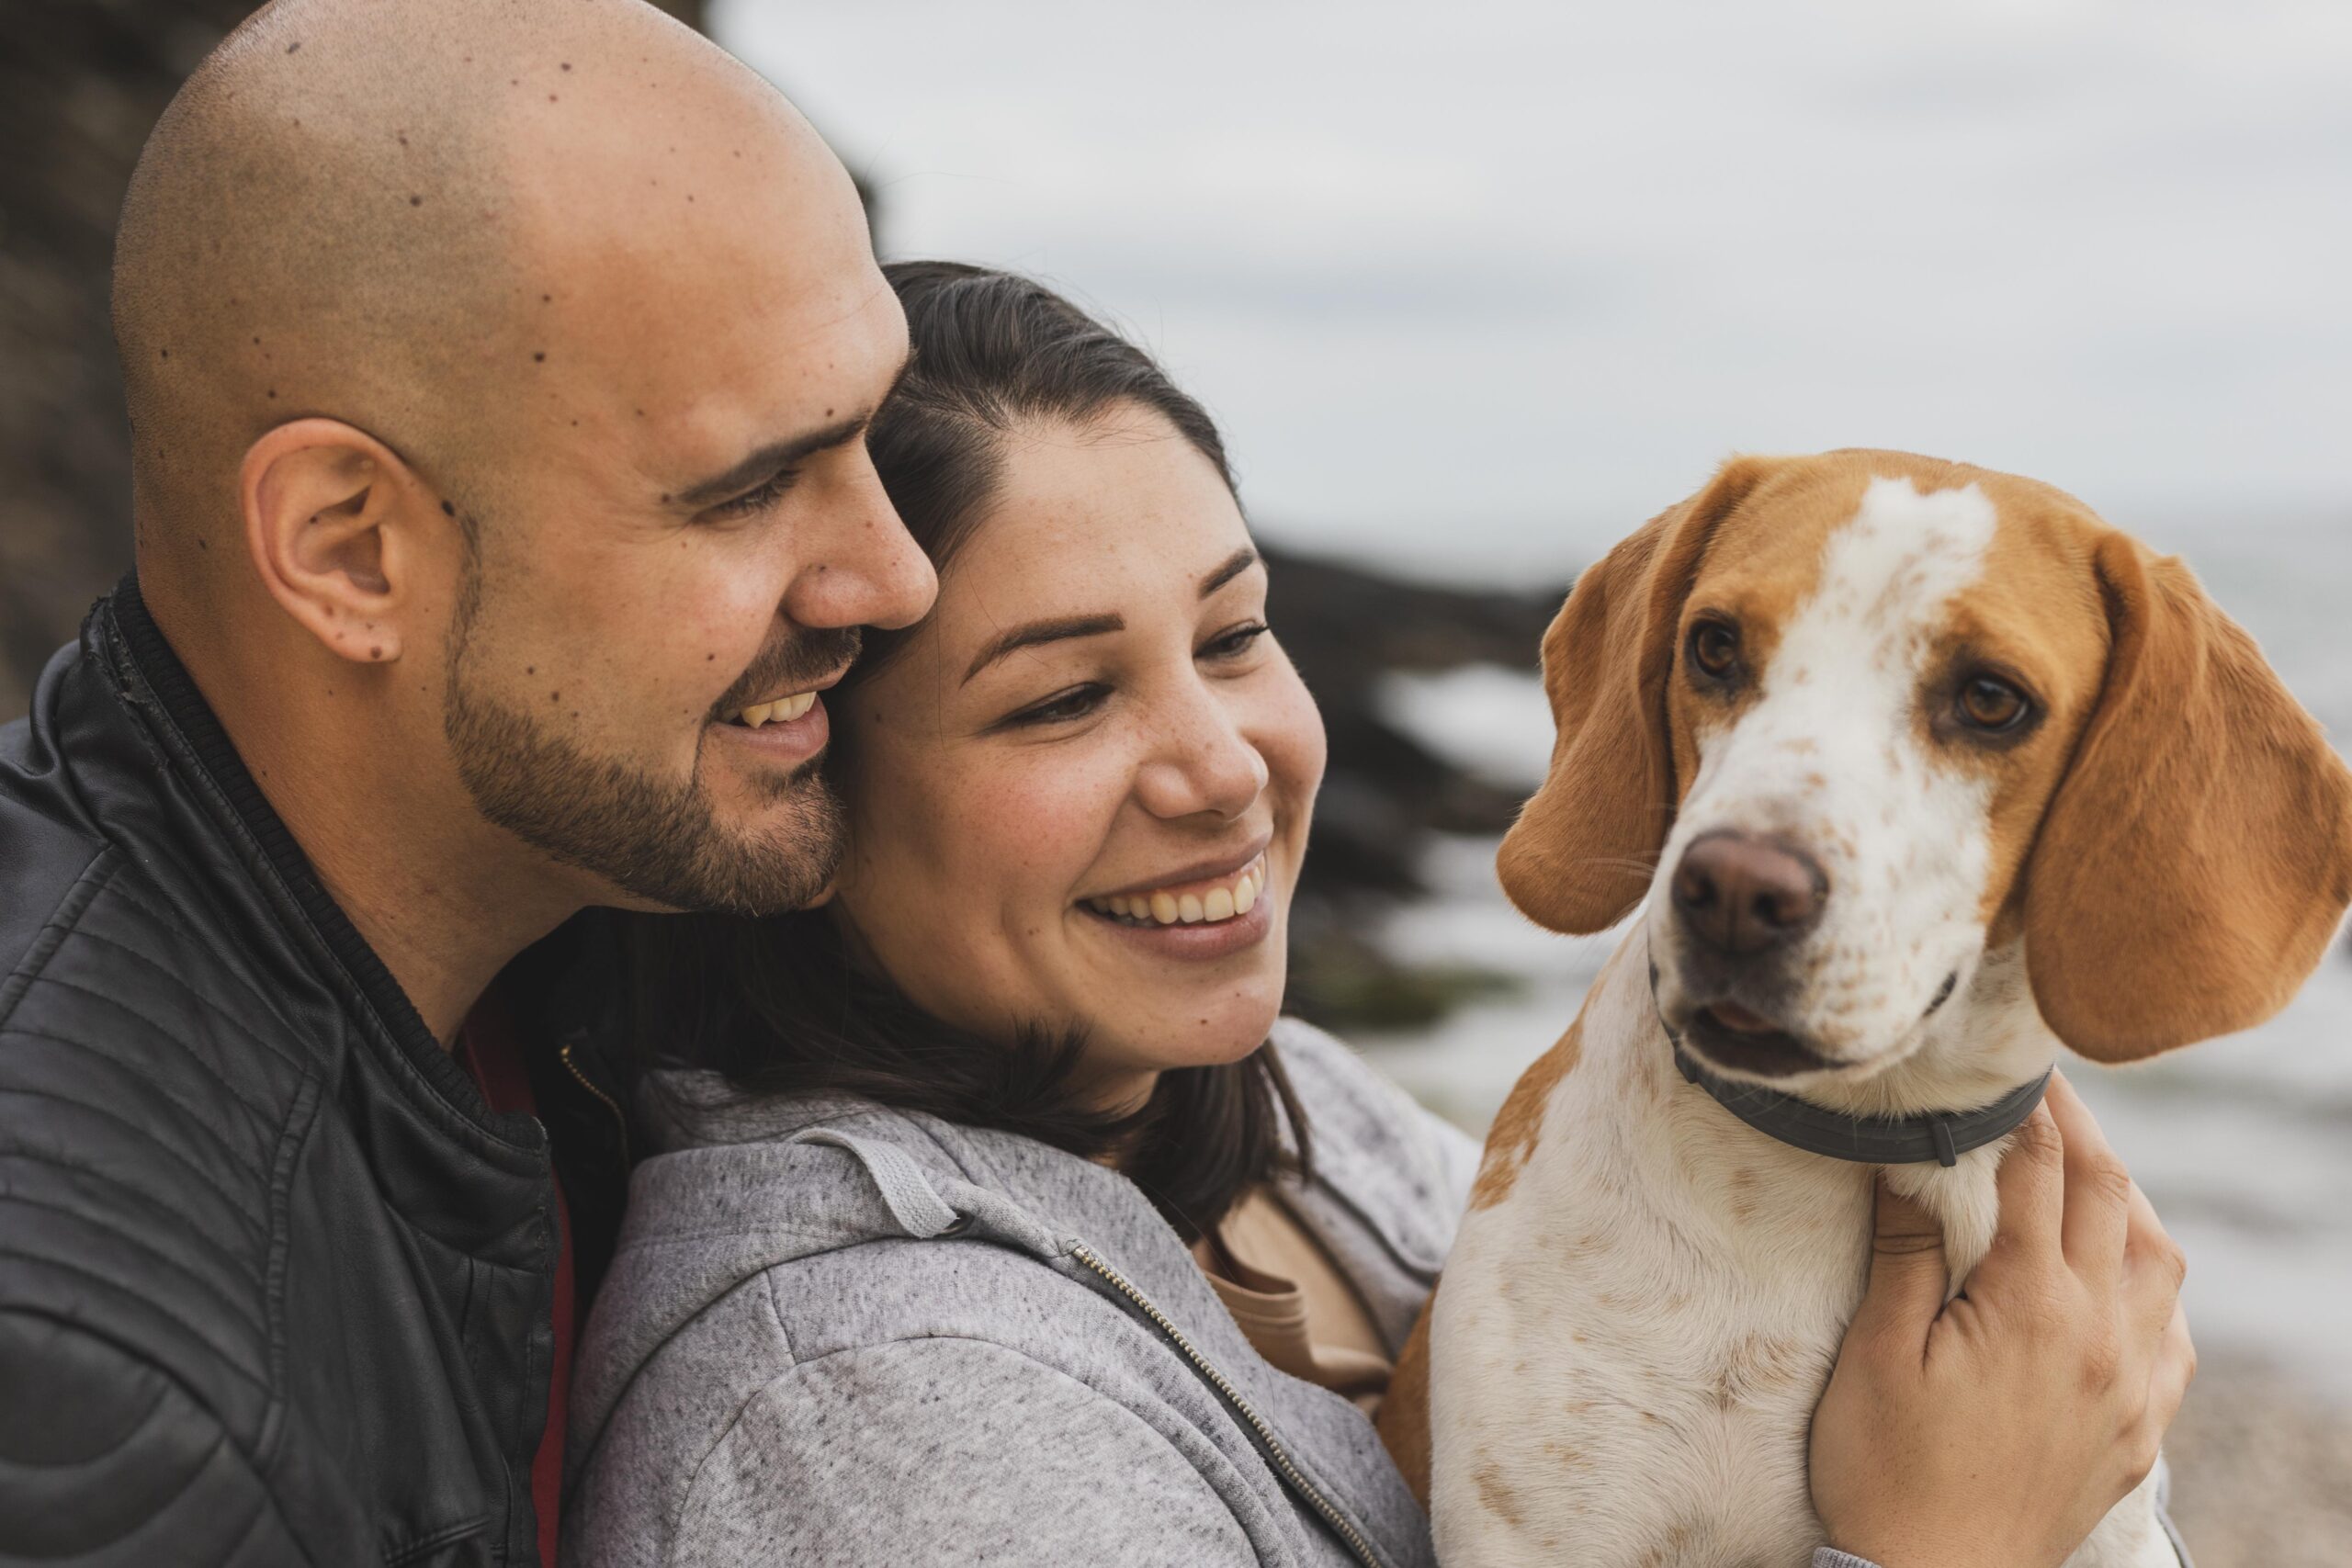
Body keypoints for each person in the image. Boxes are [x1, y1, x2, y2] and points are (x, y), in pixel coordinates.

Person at [564, 264, 2195, 1567]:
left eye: (1233, 634)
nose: (1224, 772)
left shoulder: (1290, 1110)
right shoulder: (872, 1416)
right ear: (805, 780)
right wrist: (1960, 1546)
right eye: (1061, 698)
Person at [0, 1, 933, 1562]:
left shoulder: (576, 926)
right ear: (349, 550)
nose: (893, 577)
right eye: (752, 487)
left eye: (873, 435)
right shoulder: (105, 1399)